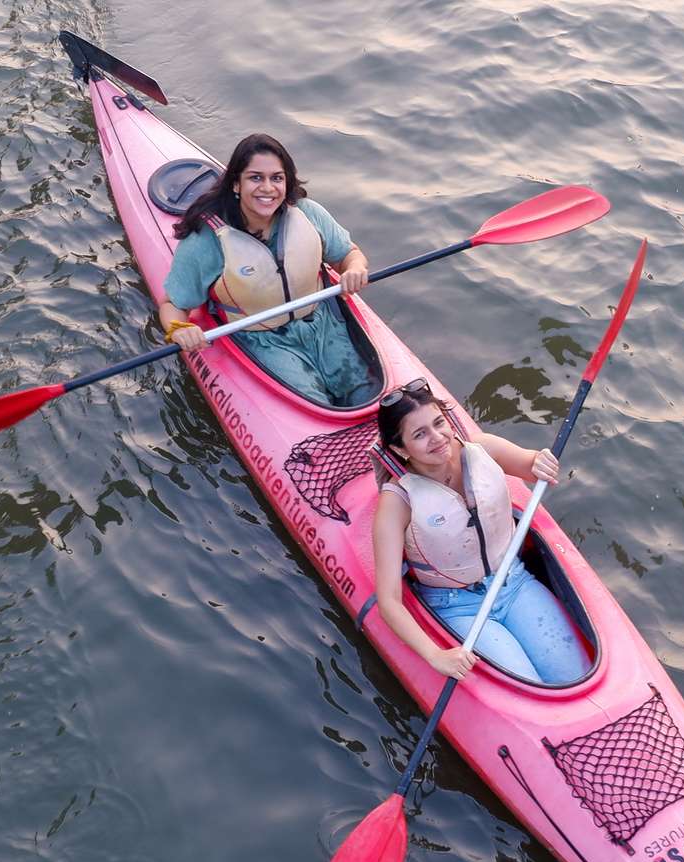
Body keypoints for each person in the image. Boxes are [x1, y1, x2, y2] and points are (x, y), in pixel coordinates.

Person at [371, 382, 591, 686]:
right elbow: (389, 602)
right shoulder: (396, 503)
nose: (437, 439)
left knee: (574, 676)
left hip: (514, 580)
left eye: (439, 423)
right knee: (526, 685)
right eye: (419, 434)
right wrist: (436, 656)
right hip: (457, 605)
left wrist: (540, 461)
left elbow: (530, 466)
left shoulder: (483, 448)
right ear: (399, 449)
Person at [156, 133, 378, 408]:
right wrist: (179, 329)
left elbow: (348, 255)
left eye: (277, 178)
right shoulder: (206, 240)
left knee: (365, 392)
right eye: (255, 178)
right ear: (236, 184)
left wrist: (354, 269)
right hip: (260, 339)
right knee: (311, 401)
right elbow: (172, 305)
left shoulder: (309, 213)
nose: (268, 188)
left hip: (323, 323)